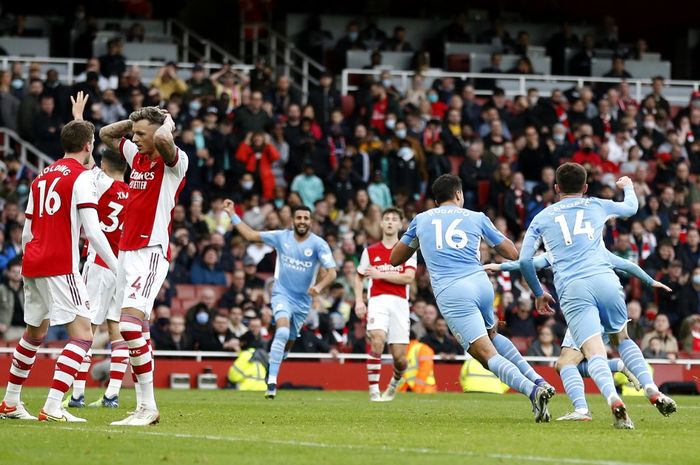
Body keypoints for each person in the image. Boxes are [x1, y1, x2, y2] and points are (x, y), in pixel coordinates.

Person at [519, 163, 676, 429]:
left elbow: (525, 261)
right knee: (623, 338)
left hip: (574, 288)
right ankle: (650, 387)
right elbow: (631, 208)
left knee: (594, 354)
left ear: (556, 188)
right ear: (586, 187)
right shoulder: (596, 205)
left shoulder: (542, 217)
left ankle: (613, 399)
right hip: (605, 279)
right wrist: (627, 186)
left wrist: (538, 293)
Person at [390, 174, 554, 423]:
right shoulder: (476, 217)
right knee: (494, 337)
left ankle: (533, 392)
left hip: (453, 292)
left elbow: (395, 259)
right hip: (481, 283)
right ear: (458, 195)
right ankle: (539, 379)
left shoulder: (421, 220)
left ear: (436, 200)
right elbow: (511, 252)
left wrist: (418, 242)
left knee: (486, 355)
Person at [0, 116, 118, 422]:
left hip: (32, 261)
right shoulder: (81, 177)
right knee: (82, 336)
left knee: (34, 333)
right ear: (89, 146)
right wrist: (120, 268)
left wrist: (32, 258)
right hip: (60, 264)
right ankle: (53, 406)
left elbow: (26, 231)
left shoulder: (41, 177)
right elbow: (92, 231)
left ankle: (11, 401)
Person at [488, 248, 672, 420]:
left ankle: (583, 409)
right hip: (610, 296)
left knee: (565, 363)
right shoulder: (595, 246)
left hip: (584, 305)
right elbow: (627, 264)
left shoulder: (558, 249)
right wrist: (650, 281)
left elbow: (530, 263)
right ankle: (645, 383)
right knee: (621, 340)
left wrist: (501, 266)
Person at [99, 104, 189, 426]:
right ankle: (142, 408)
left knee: (128, 327)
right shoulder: (135, 157)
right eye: (134, 134)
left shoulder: (173, 162)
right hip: (126, 251)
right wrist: (135, 121)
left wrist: (166, 121)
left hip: (150, 251)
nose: (134, 138)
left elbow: (165, 139)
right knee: (138, 330)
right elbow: (105, 134)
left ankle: (148, 406)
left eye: (140, 134)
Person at [54, 92, 131, 410]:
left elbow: (80, 155)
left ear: (103, 162)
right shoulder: (134, 192)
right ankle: (112, 393)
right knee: (117, 330)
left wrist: (78, 117)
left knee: (86, 328)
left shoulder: (97, 180)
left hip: (99, 262)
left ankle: (78, 394)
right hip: (123, 265)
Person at [223, 201, 337, 399]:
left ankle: (273, 364)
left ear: (311, 221)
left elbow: (332, 273)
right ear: (293, 220)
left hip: (303, 303)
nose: (302, 221)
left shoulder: (319, 244)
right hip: (282, 294)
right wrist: (232, 214)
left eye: (306, 218)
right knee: (282, 330)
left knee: (288, 343)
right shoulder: (280, 237)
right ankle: (272, 383)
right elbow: (250, 235)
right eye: (299, 217)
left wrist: (318, 287)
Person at [354, 207, 416, 401]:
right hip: (377, 301)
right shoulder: (370, 251)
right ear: (381, 224)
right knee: (377, 339)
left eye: (394, 219)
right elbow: (359, 277)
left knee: (400, 358)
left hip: (399, 304)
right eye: (386, 219)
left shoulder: (407, 249)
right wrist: (358, 300)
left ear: (400, 224)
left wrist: (381, 274)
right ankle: (373, 391)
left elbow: (408, 277)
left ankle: (393, 383)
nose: (390, 222)